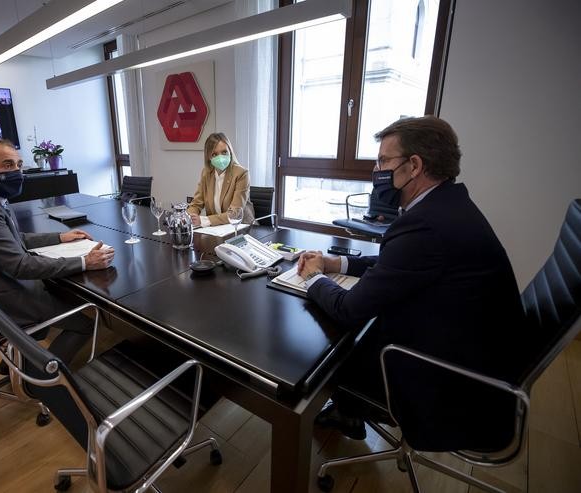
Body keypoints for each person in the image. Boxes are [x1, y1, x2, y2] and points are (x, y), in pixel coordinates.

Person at [297, 116, 530, 451]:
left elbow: (349, 309)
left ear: (415, 165)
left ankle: (346, 409)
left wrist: (314, 277)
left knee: (324, 357)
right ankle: (349, 414)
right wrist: (339, 263)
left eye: (383, 161)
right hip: (477, 362)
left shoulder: (426, 225)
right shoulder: (447, 204)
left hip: (455, 389)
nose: (376, 171)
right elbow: (397, 264)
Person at [0, 139, 115, 365]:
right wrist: (84, 261)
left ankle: (15, 362)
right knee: (86, 323)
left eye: (19, 165)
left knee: (61, 294)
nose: (17, 172)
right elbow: (19, 265)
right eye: (7, 165)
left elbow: (15, 239)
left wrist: (59, 237)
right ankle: (39, 379)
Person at [187, 132, 254, 227]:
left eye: (224, 152)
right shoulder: (206, 173)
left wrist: (203, 220)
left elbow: (235, 213)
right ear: (209, 157)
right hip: (216, 230)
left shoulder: (241, 174)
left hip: (240, 228)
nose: (220, 157)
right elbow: (196, 204)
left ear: (230, 151)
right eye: (214, 154)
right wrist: (188, 217)